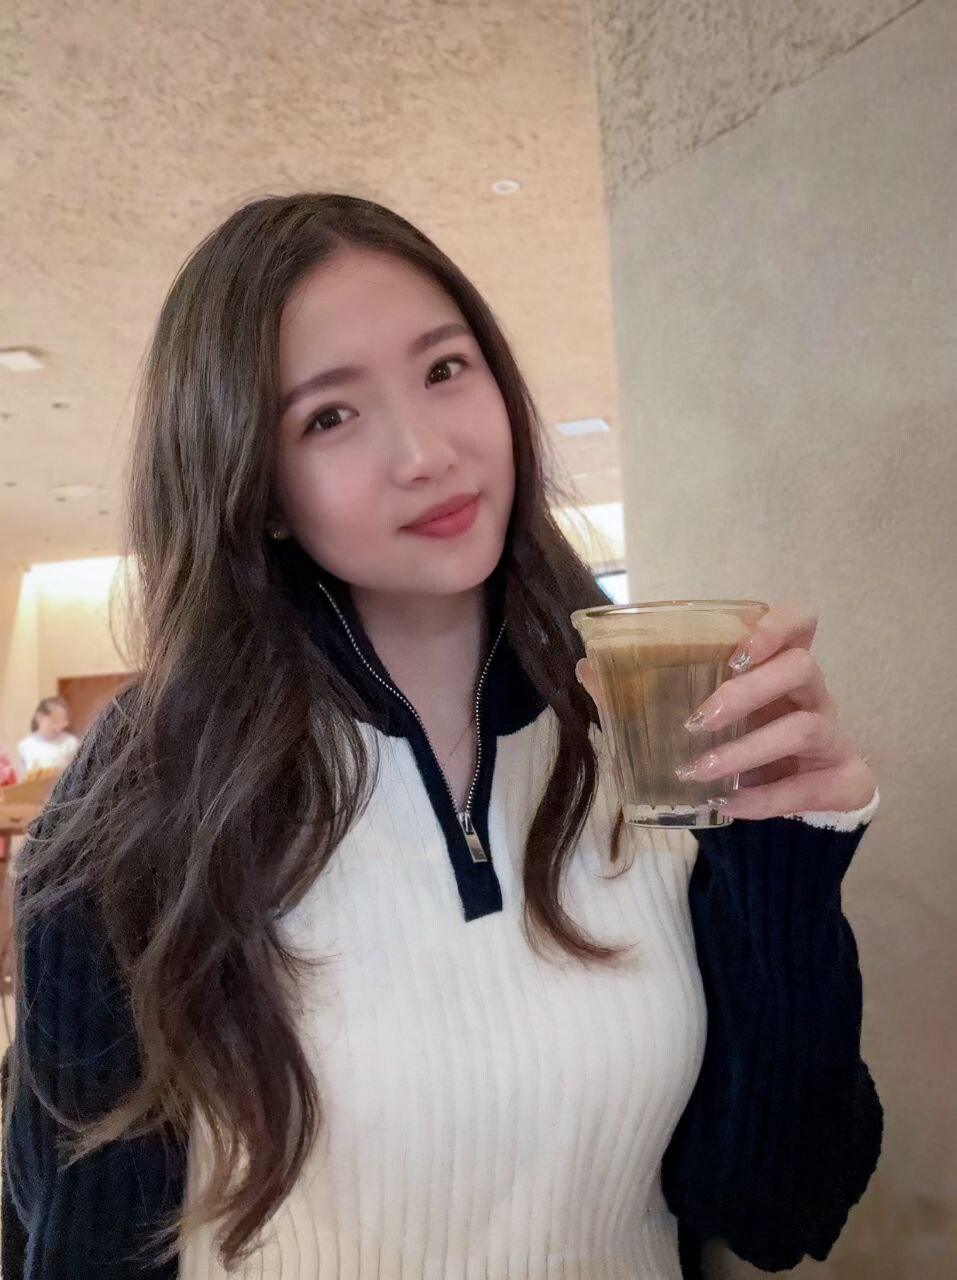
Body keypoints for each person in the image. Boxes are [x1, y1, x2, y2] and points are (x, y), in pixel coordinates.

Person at [2, 195, 881, 1280]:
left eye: (445, 369)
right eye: (329, 416)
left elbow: (776, 1206)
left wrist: (786, 853)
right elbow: (84, 1243)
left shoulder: (650, 720)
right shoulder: (148, 789)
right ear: (253, 483)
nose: (425, 452)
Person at [15, 697, 79, 778]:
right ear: (39, 717)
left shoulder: (70, 743)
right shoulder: (25, 746)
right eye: (54, 721)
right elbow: (25, 777)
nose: (57, 726)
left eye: (62, 721)